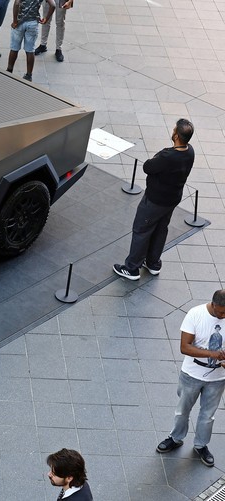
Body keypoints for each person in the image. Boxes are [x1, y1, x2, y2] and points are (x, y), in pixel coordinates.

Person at [113, 118, 195, 280]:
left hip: (155, 200)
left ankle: (132, 268)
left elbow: (147, 167)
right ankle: (153, 263)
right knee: (160, 229)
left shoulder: (167, 156)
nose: (172, 131)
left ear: (177, 136)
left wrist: (159, 155)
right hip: (172, 199)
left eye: (174, 130)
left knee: (141, 230)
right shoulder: (190, 151)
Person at [155, 290, 225, 467]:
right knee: (182, 410)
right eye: (222, 312)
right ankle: (176, 438)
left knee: (208, 415)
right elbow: (185, 347)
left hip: (218, 378)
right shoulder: (196, 314)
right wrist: (213, 354)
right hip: (192, 374)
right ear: (214, 304)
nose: (224, 316)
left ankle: (201, 445)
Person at [5, 0, 54, 81]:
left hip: (19, 22)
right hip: (33, 23)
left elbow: (17, 3)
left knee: (14, 48)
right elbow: (53, 5)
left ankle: (9, 71)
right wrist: (46, 18)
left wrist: (14, 21)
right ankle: (28, 75)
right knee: (30, 50)